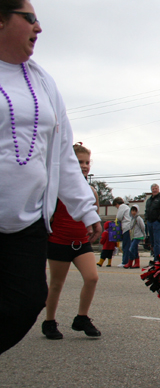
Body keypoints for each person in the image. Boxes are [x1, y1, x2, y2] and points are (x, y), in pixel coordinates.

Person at [0, 0, 101, 355]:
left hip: (27, 221)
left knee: (28, 300)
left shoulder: (43, 82)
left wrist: (85, 209)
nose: (38, 27)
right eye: (28, 18)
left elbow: (63, 154)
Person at [42, 143, 102, 340]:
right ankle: (49, 322)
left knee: (92, 277)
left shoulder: (91, 190)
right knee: (57, 284)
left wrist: (93, 229)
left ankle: (81, 318)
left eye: (86, 162)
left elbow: (94, 214)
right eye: (79, 162)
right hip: (59, 240)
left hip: (81, 242)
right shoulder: (57, 186)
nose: (84, 166)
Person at [145, 183, 160, 259]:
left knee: (157, 242)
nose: (154, 190)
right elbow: (147, 210)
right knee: (152, 242)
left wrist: (159, 220)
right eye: (153, 189)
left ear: (158, 189)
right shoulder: (149, 200)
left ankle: (158, 259)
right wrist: (146, 218)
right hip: (150, 222)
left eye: (156, 188)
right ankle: (154, 257)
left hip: (158, 223)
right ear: (151, 190)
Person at [112, 197, 131, 267]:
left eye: (115, 206)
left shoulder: (122, 207)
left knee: (125, 246)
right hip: (130, 227)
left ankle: (125, 262)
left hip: (126, 227)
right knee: (128, 245)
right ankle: (128, 261)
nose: (116, 208)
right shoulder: (127, 207)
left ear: (117, 204)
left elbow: (119, 217)